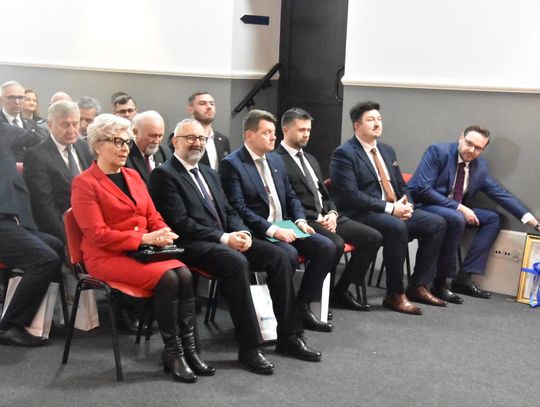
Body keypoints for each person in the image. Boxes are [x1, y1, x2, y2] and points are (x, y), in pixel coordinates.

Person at [150, 119, 322, 375]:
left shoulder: (208, 172)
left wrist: (242, 232)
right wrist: (224, 238)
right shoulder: (164, 174)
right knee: (236, 262)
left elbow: (229, 210)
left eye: (201, 138)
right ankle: (249, 347)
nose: (197, 143)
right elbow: (181, 223)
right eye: (190, 138)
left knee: (279, 256)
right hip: (192, 244)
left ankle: (289, 335)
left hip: (225, 238)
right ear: (175, 141)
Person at [70, 114, 213, 383]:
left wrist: (163, 232)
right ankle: (173, 353)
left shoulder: (133, 175)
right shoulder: (84, 183)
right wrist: (145, 239)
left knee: (184, 273)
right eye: (117, 142)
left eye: (126, 142)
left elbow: (152, 215)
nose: (125, 148)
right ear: (98, 145)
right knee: (169, 278)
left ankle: (190, 350)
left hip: (140, 251)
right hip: (105, 256)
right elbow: (97, 234)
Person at [220, 109, 336, 331]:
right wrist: (273, 230)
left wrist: (300, 220)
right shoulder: (233, 164)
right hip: (259, 230)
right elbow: (239, 209)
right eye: (266, 133)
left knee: (326, 247)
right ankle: (283, 316)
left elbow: (291, 196)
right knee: (288, 254)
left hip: (286, 224)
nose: (274, 137)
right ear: (249, 135)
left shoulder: (275, 160)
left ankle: (302, 306)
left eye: (274, 132)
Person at [330, 101, 447, 315]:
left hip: (393, 210)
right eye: (371, 120)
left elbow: (401, 185)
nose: (377, 124)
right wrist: (391, 209)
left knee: (437, 223)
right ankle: (395, 294)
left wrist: (408, 205)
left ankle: (418, 286)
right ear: (357, 125)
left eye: (379, 119)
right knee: (396, 227)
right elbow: (351, 196)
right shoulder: (344, 153)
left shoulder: (386, 150)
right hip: (360, 213)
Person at [408, 125, 540, 302]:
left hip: (453, 211)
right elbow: (423, 189)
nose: (471, 150)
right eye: (469, 143)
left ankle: (463, 278)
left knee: (493, 219)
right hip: (424, 205)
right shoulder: (438, 151)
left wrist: (535, 223)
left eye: (478, 148)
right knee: (457, 217)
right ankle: (440, 283)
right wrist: (460, 208)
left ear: (483, 149)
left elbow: (501, 195)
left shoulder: (479, 166)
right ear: (461, 138)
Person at [275, 107, 383, 310]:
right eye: (301, 130)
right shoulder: (276, 160)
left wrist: (332, 213)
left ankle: (340, 290)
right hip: (304, 219)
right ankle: (313, 299)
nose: (306, 134)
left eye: (308, 130)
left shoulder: (310, 159)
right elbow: (286, 201)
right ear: (286, 129)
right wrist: (317, 218)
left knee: (373, 237)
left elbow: (325, 194)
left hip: (329, 216)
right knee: (336, 244)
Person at [0, 122, 64, 347]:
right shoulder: (4, 131)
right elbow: (35, 136)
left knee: (55, 245)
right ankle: (10, 325)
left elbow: (36, 136)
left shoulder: (4, 132)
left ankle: (41, 319)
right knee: (44, 259)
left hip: (10, 219)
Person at [23, 101, 93, 241]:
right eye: (65, 125)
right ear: (50, 125)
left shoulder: (84, 146)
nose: (72, 130)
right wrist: (68, 237)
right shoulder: (36, 156)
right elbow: (44, 205)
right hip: (62, 226)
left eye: (75, 124)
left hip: (92, 220)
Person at [0, 81, 44, 160]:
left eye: (20, 98)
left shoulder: (32, 124)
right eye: (11, 97)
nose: (17, 102)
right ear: (1, 99)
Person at [126, 111, 171, 185]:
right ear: (135, 132)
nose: (156, 141)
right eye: (152, 136)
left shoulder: (165, 153)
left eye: (160, 136)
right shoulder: (124, 155)